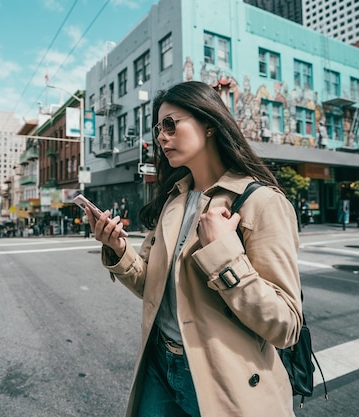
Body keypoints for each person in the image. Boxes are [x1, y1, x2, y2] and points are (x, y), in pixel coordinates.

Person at [85, 81, 302, 417]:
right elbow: (149, 286)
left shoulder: (261, 203)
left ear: (210, 123)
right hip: (158, 364)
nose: (161, 136)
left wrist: (224, 254)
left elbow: (286, 326)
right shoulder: (174, 199)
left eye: (171, 124)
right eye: (158, 128)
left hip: (222, 380)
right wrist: (118, 249)